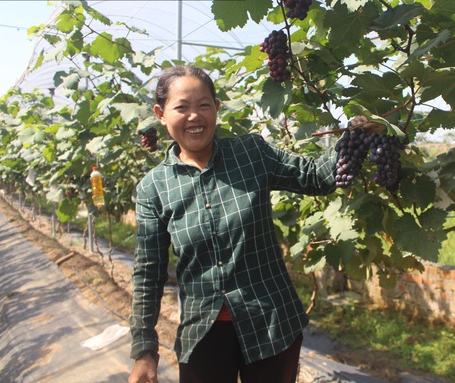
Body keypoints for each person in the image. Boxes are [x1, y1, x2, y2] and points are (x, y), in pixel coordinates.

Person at [128, 65, 378, 383]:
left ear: (216, 109)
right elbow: (148, 273)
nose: (194, 116)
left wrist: (355, 135)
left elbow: (317, 176)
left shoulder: (250, 153)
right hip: (203, 331)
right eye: (182, 107)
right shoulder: (154, 187)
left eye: (204, 105)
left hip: (271, 323)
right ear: (161, 114)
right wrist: (144, 351)